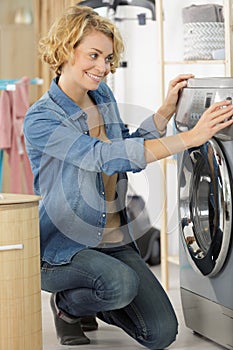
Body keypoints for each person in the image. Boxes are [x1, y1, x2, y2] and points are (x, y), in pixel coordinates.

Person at [23, 5, 233, 349]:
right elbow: (101, 157)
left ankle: (96, 295)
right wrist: (190, 138)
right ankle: (68, 307)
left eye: (107, 58)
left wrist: (164, 113)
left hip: (113, 237)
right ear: (64, 50)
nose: (102, 68)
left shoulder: (102, 95)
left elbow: (124, 152)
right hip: (62, 247)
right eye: (93, 55)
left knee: (161, 333)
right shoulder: (42, 119)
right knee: (120, 283)